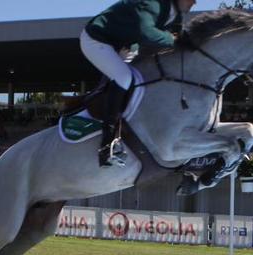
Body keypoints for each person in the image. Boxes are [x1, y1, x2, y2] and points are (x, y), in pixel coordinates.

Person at [81, 0, 196, 167]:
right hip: (97, 40)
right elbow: (147, 32)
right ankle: (108, 146)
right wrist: (174, 40)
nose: (195, 2)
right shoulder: (153, 3)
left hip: (124, 46)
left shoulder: (175, 13)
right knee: (124, 78)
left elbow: (176, 38)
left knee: (144, 77)